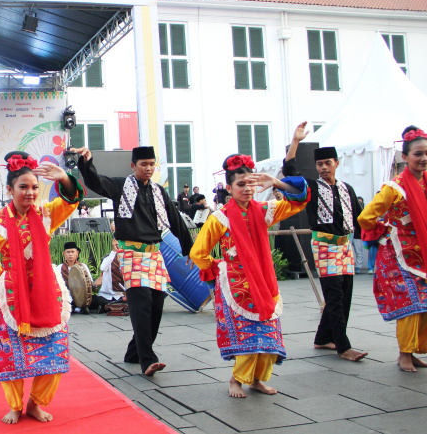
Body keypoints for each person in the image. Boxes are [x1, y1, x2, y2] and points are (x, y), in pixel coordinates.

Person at [0, 151, 84, 424]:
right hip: (12, 298)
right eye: (23, 187)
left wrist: (64, 179)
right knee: (11, 355)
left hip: (46, 293)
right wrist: (6, 280)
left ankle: (37, 403)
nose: (30, 192)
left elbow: (71, 201)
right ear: (9, 189)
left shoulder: (46, 213)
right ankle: (15, 405)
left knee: (54, 352)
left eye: (34, 187)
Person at [190, 154, 309, 398]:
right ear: (230, 187)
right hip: (236, 285)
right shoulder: (219, 217)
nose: (247, 189)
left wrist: (276, 182)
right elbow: (198, 252)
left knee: (268, 335)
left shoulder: (265, 211)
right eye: (240, 184)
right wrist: (220, 266)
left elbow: (299, 201)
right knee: (248, 335)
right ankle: (236, 379)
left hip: (264, 282)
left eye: (251, 184)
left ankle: (256, 379)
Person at [71, 145, 194, 376]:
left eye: (151, 164)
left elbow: (175, 219)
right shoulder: (120, 186)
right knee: (141, 305)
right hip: (130, 254)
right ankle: (148, 359)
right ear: (133, 166)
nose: (148, 168)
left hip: (154, 254)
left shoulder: (158, 191)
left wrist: (190, 250)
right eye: (143, 164)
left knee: (157, 304)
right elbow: (95, 181)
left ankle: (134, 352)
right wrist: (86, 162)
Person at [283, 122, 368, 362]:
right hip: (324, 246)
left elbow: (360, 218)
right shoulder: (311, 187)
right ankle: (343, 346)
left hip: (345, 246)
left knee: (346, 293)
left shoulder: (347, 188)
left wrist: (378, 237)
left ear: (336, 163)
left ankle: (323, 338)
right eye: (319, 164)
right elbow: (290, 172)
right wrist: (296, 141)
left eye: (327, 163)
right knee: (334, 297)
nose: (322, 168)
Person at [359, 126, 427, 372]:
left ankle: (414, 350)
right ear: (405, 157)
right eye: (418, 153)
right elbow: (366, 216)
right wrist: (384, 230)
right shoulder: (394, 188)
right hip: (399, 255)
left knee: (424, 305)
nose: (423, 158)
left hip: (423, 252)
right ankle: (404, 353)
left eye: (426, 153)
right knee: (410, 305)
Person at [55, 241, 94, 314]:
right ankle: (78, 308)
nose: (70, 254)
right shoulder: (59, 268)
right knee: (67, 306)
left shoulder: (83, 266)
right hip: (66, 296)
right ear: (64, 254)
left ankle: (79, 306)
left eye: (72, 252)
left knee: (99, 300)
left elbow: (89, 282)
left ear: (77, 253)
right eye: (68, 252)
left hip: (81, 297)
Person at [92, 238, 127, 312]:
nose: (118, 246)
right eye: (116, 245)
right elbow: (103, 268)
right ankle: (111, 306)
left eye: (120, 244)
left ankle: (110, 307)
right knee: (98, 300)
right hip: (106, 296)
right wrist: (114, 251)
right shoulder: (108, 258)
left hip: (121, 296)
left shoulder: (127, 258)